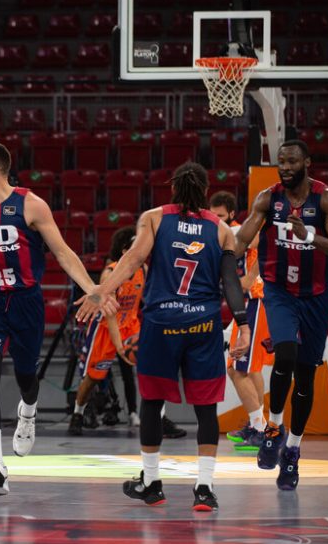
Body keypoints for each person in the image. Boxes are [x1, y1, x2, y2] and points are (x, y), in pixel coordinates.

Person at [0, 140, 112, 496]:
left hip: (24, 301)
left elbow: (62, 251)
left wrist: (92, 288)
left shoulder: (31, 205)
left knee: (25, 375)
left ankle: (28, 411)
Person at [78, 162, 250, 511]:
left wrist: (100, 292)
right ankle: (204, 488)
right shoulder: (221, 229)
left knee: (153, 403)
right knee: (206, 409)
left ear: (173, 189)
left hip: (161, 325)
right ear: (204, 192)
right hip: (203, 325)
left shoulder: (154, 218)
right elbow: (231, 282)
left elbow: (131, 260)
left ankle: (152, 483)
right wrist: (243, 325)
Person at [234, 139, 328, 490]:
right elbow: (240, 241)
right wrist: (219, 263)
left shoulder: (326, 199)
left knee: (304, 377)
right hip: (279, 291)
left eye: (291, 162)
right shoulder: (267, 199)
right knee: (285, 353)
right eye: (281, 162)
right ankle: (273, 428)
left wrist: (311, 236)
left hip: (315, 295)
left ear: (307, 163)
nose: (285, 167)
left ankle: (293, 451)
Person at [209, 191, 273, 452]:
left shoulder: (239, 231)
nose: (216, 219)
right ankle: (259, 424)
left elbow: (264, 242)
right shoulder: (223, 232)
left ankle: (260, 428)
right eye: (213, 215)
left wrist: (251, 278)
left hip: (256, 300)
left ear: (232, 215)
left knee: (237, 369)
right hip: (253, 303)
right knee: (250, 368)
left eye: (221, 215)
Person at [69, 226, 142, 436]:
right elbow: (110, 314)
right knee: (93, 377)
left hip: (130, 325)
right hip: (105, 329)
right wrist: (119, 346)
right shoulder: (109, 274)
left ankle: (146, 415)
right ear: (124, 250)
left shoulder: (143, 270)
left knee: (149, 370)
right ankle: (78, 413)